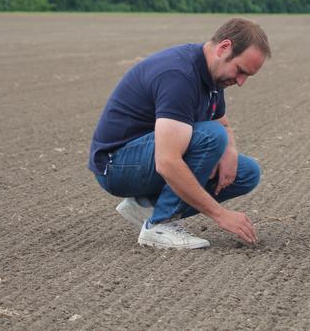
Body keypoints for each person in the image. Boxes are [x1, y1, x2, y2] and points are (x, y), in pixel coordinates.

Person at [88, 18, 271, 249]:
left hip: (145, 157)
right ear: (224, 48)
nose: (241, 81)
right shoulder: (179, 75)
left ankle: (146, 205)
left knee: (246, 172)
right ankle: (160, 224)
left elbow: (219, 119)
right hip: (116, 165)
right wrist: (221, 215)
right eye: (240, 71)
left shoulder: (213, 76)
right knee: (211, 137)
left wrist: (230, 150)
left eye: (247, 76)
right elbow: (167, 162)